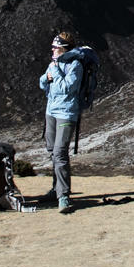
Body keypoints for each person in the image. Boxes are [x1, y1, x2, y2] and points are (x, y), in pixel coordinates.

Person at [39, 32, 88, 214]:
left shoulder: (75, 65)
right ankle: (56, 189)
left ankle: (64, 195)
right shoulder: (53, 64)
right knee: (53, 151)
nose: (52, 49)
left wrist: (55, 73)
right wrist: (47, 77)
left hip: (67, 113)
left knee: (60, 152)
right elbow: (42, 83)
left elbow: (67, 88)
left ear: (64, 48)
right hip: (51, 111)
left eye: (55, 47)